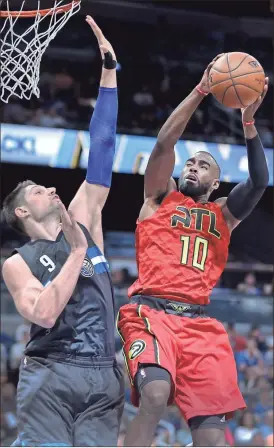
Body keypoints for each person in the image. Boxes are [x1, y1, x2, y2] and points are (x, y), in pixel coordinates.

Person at [117, 54, 269, 447]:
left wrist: (249, 124)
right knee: (153, 395)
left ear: (215, 183)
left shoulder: (223, 215)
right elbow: (165, 141)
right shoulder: (158, 197)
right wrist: (202, 89)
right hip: (151, 313)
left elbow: (258, 181)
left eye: (203, 166)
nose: (192, 167)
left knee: (212, 437)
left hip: (200, 326)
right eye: (190, 163)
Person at [2, 16, 124, 447]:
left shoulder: (84, 216)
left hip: (104, 371)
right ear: (21, 210)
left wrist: (109, 70)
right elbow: (44, 314)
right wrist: (75, 255)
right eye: (38, 189)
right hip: (52, 370)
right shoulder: (18, 263)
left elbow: (104, 146)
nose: (51, 187)